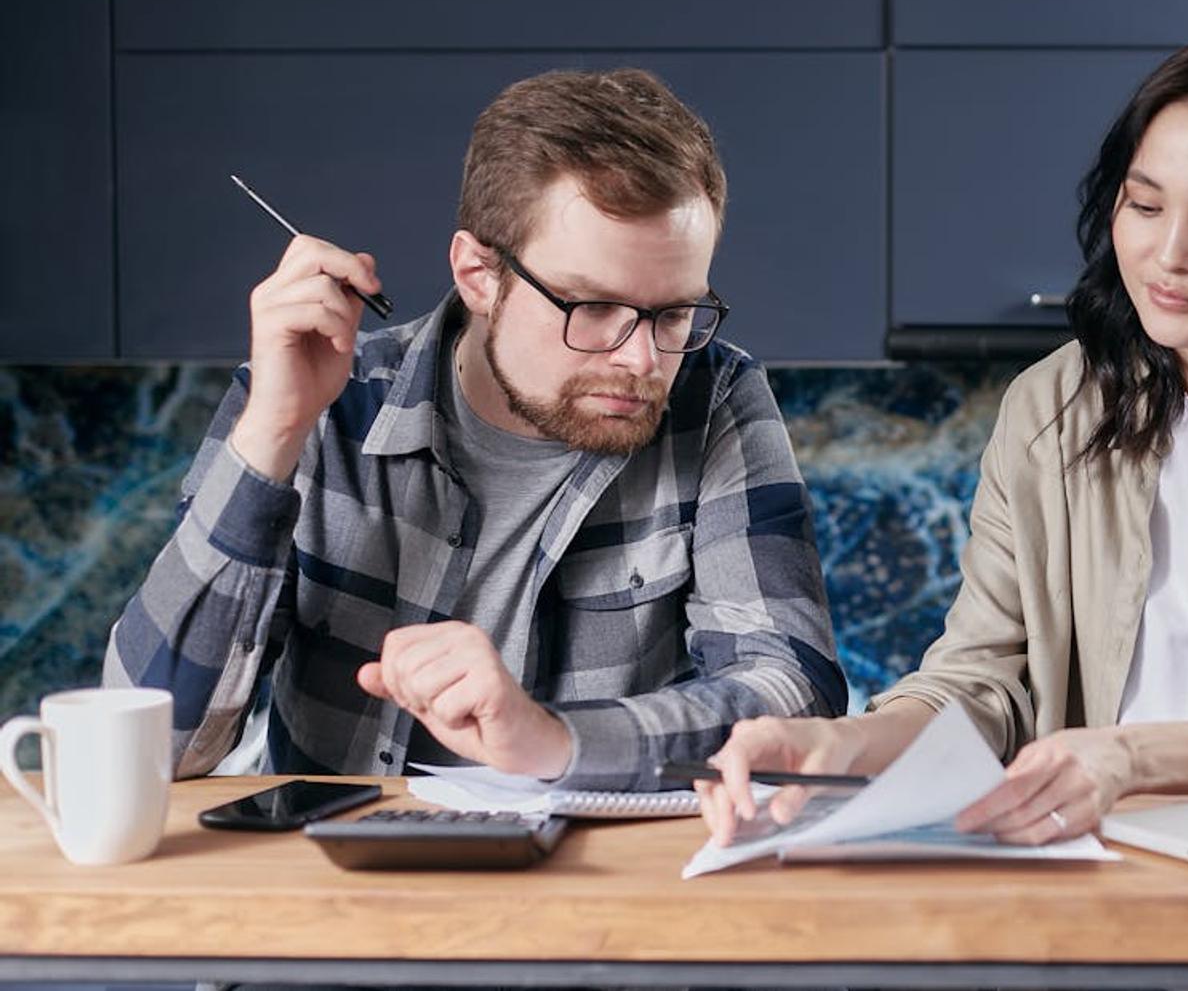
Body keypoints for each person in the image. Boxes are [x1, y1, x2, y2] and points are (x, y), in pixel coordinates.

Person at [698, 26, 1188, 845]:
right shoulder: (1050, 406)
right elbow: (984, 680)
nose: (1167, 255)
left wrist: (1128, 756)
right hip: (1109, 857)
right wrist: (843, 743)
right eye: (1143, 205)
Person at [104, 68, 846, 789]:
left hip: (605, 892)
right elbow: (155, 746)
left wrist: (551, 740)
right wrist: (271, 432)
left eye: (675, 312)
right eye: (591, 308)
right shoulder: (308, 398)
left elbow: (792, 693)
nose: (643, 358)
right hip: (340, 892)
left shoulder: (713, 395)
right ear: (478, 275)